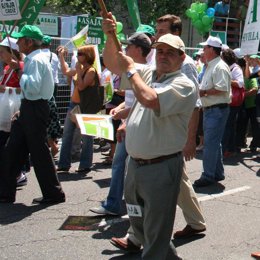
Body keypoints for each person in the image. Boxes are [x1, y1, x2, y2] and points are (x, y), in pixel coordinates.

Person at [102, 12, 197, 259]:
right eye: (160, 51)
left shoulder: (183, 84)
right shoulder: (148, 73)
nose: (163, 56)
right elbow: (114, 63)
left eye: (170, 52)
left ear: (181, 56)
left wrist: (131, 69)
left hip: (161, 167)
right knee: (140, 223)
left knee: (156, 230)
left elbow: (149, 99)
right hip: (135, 165)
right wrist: (108, 36)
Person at [0, 25, 65, 204]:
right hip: (31, 107)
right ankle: (5, 193)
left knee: (39, 153)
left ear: (29, 42)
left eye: (21, 39)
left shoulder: (35, 60)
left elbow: (32, 88)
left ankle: (53, 193)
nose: (18, 42)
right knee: (13, 149)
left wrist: (17, 70)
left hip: (35, 108)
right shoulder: (34, 58)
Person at [90, 33, 151, 215]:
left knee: (133, 168)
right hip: (129, 124)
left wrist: (124, 115)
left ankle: (134, 208)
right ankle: (120, 204)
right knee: (121, 165)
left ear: (138, 50)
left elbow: (144, 103)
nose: (125, 50)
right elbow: (131, 99)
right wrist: (121, 108)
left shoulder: (144, 71)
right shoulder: (131, 70)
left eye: (129, 47)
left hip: (137, 127)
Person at [194, 36, 231, 187]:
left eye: (205, 48)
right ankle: (216, 173)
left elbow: (222, 88)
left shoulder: (219, 66)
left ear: (212, 49)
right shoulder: (212, 65)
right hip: (213, 109)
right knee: (214, 143)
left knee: (210, 144)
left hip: (216, 109)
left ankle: (208, 175)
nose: (203, 50)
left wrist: (204, 92)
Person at [56, 45, 99, 173]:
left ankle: (85, 164)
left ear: (88, 56)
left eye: (81, 53)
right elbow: (65, 71)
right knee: (67, 134)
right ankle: (64, 164)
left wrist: (79, 73)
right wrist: (61, 57)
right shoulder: (79, 68)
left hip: (85, 107)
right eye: (78, 53)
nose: (78, 55)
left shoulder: (91, 70)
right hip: (73, 105)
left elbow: (81, 87)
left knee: (87, 137)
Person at [41, 35, 62, 157]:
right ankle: (53, 141)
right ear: (49, 45)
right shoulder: (53, 56)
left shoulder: (38, 56)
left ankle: (50, 143)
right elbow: (58, 69)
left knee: (43, 116)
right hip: (54, 85)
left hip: (44, 86)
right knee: (52, 114)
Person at [221, 48, 244, 157]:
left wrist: (226, 80)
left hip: (233, 102)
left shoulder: (235, 69)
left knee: (228, 126)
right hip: (228, 100)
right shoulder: (228, 68)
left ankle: (227, 149)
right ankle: (229, 148)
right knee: (228, 125)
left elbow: (240, 83)